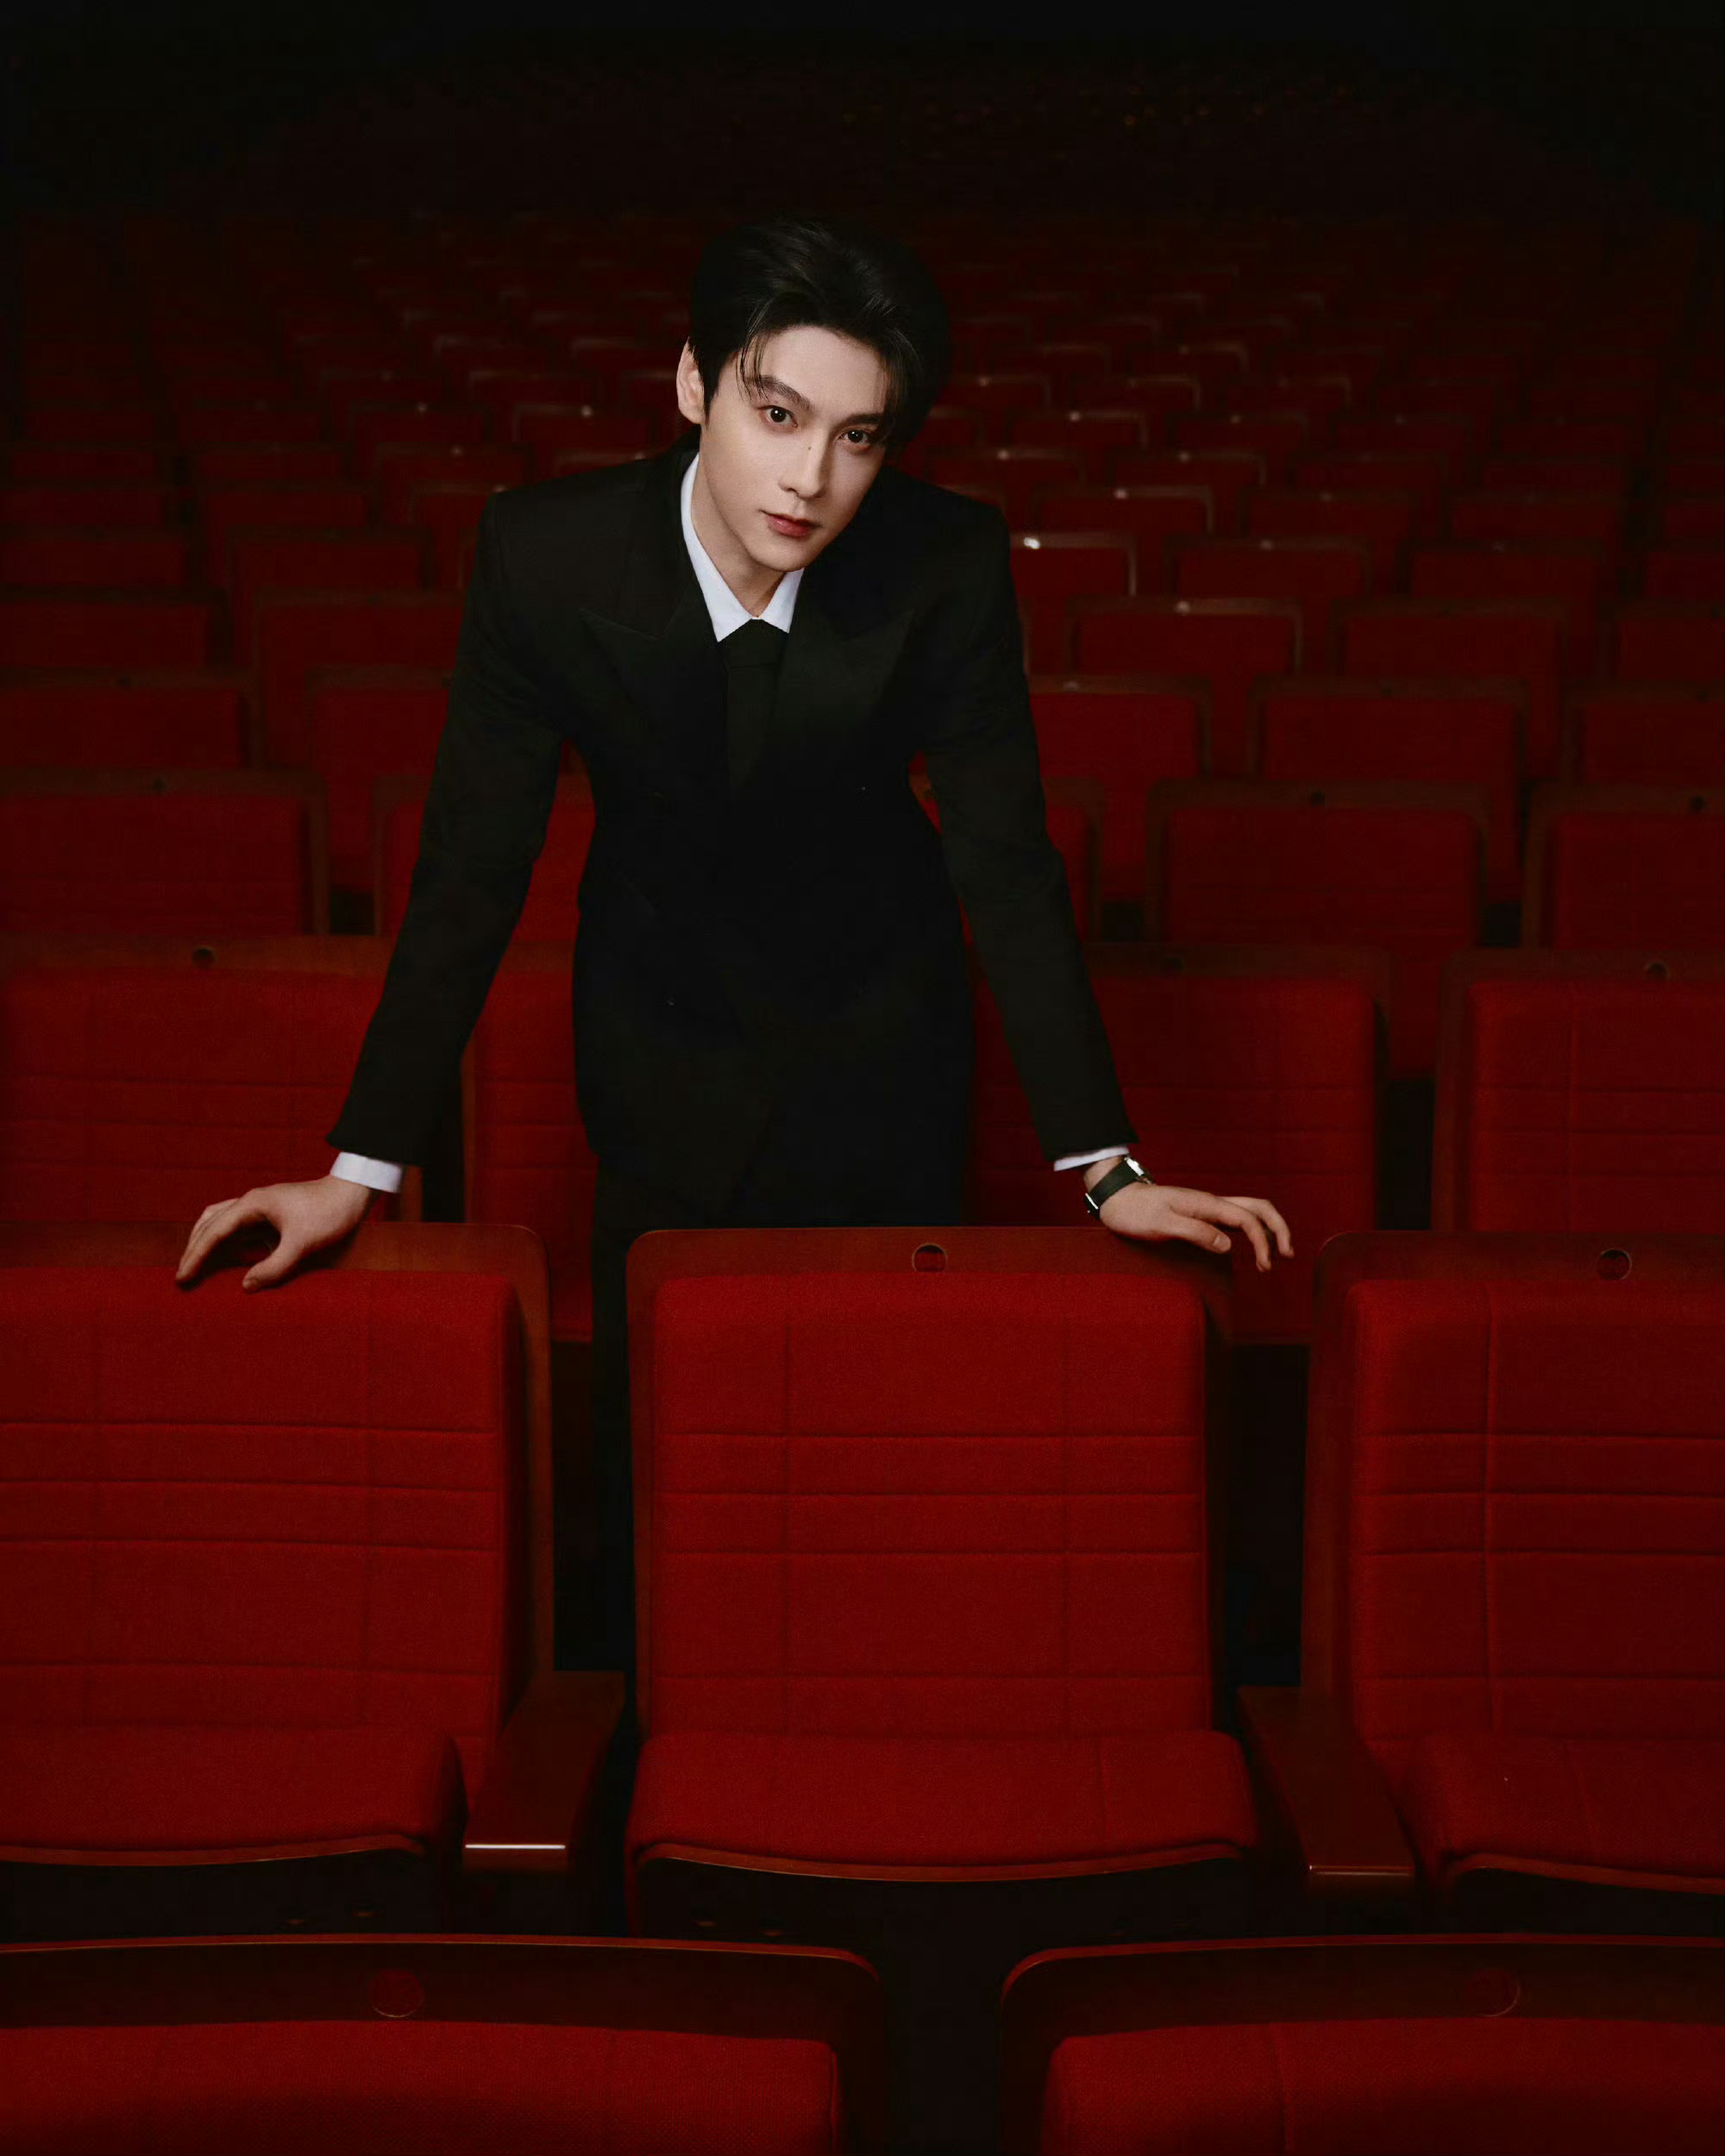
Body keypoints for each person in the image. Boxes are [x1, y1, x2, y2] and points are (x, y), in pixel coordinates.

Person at [176, 213, 1293, 1669]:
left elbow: (1008, 867)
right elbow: (471, 873)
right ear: (695, 384)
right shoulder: (545, 554)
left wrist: (1106, 1170)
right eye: (778, 415)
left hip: (885, 1040)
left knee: (872, 1469)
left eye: (858, 437)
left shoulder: (945, 560)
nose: (812, 478)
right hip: (659, 1043)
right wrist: (359, 1171)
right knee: (666, 1488)